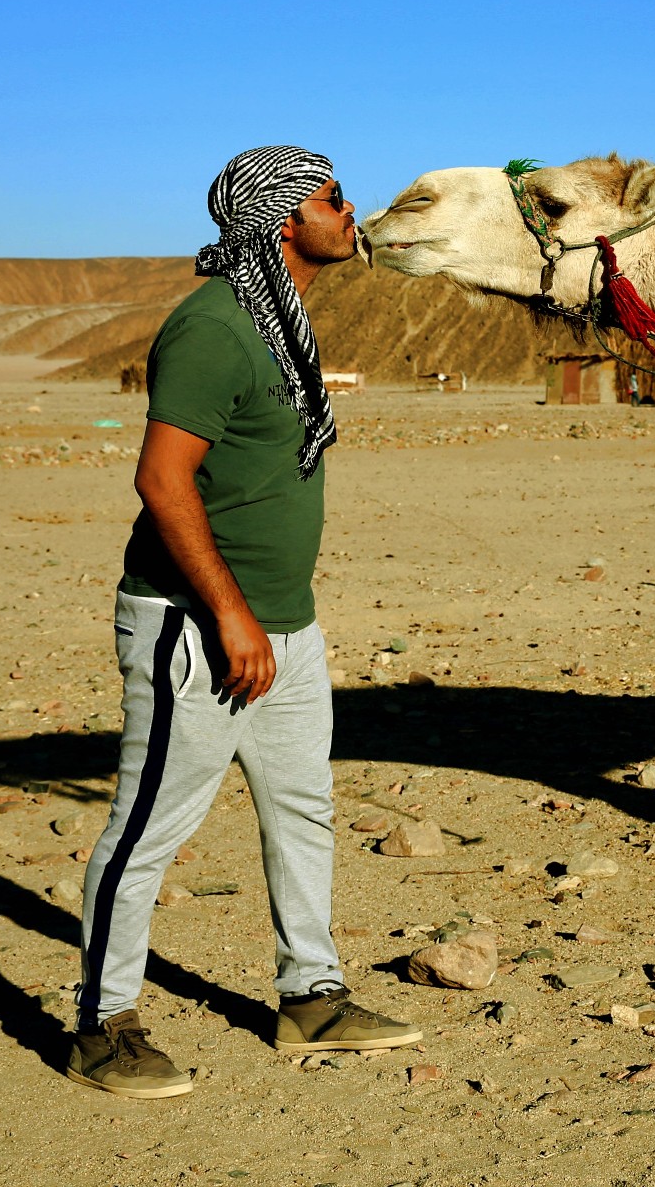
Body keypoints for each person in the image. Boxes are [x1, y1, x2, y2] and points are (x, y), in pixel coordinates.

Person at [67, 146, 421, 1099]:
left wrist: (270, 618)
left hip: (285, 627)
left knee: (303, 811)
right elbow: (160, 478)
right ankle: (102, 1024)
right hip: (200, 626)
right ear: (279, 221)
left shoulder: (283, 320)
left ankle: (312, 997)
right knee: (147, 827)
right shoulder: (217, 328)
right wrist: (229, 613)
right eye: (333, 197)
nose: (353, 210)